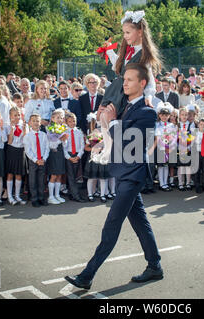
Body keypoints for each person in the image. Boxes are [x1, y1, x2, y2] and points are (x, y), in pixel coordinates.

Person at [66, 63, 163, 290]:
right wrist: (102, 132)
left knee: (112, 224)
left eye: (129, 80)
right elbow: (115, 136)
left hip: (133, 174)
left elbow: (130, 141)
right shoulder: (126, 108)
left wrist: (109, 122)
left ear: (143, 84)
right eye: (124, 79)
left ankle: (87, 275)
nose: (124, 83)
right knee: (141, 223)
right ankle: (155, 265)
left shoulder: (148, 112)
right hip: (122, 172)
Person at [102, 10, 161, 120]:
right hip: (117, 93)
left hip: (129, 98)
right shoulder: (128, 50)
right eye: (124, 33)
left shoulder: (143, 54)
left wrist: (148, 95)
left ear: (140, 32)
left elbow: (150, 78)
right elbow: (119, 66)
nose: (125, 36)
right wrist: (109, 49)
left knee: (119, 128)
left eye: (128, 33)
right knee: (106, 124)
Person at [24, 113, 50, 207]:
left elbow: (47, 147)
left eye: (37, 121)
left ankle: (41, 197)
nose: (35, 123)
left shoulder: (44, 135)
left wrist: (44, 158)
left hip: (43, 160)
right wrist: (36, 160)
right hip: (33, 161)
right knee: (32, 180)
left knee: (41, 180)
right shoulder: (27, 136)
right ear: (29, 123)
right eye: (33, 121)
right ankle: (34, 198)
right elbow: (28, 150)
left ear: (40, 123)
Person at [4, 107, 27, 205]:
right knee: (10, 174)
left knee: (19, 174)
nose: (17, 117)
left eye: (18, 115)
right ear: (10, 116)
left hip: (21, 150)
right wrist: (12, 130)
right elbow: (9, 142)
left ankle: (17, 196)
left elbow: (25, 140)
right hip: (12, 150)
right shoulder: (7, 126)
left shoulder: (23, 125)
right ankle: (10, 196)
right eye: (15, 115)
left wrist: (25, 130)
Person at [63, 111, 86, 203]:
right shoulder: (65, 132)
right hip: (69, 156)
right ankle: (77, 196)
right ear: (66, 122)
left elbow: (82, 145)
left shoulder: (79, 132)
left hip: (77, 155)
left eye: (74, 121)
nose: (72, 123)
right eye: (70, 121)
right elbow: (64, 147)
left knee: (76, 176)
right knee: (71, 176)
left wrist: (79, 156)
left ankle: (72, 194)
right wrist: (69, 157)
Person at [46, 109, 68, 205]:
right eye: (58, 118)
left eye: (61, 118)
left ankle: (57, 195)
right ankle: (50, 196)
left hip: (60, 152)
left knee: (59, 175)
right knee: (54, 175)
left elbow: (64, 143)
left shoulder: (61, 129)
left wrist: (64, 140)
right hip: (53, 153)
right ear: (52, 118)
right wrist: (60, 139)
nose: (60, 120)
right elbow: (51, 143)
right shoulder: (49, 128)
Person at [176, 106, 195, 191]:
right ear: (179, 115)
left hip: (188, 148)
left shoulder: (191, 124)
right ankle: (180, 183)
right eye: (182, 115)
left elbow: (192, 137)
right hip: (180, 148)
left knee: (188, 166)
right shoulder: (177, 125)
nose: (184, 116)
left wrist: (188, 147)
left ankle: (188, 182)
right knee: (180, 167)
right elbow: (175, 138)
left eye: (186, 115)